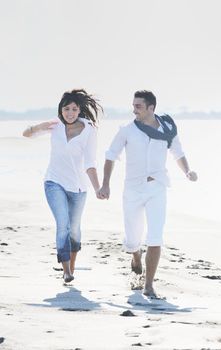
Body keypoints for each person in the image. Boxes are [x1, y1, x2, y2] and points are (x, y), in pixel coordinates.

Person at [98, 90, 197, 298]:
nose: (134, 110)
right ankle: (135, 256)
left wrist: (187, 171)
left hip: (157, 188)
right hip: (133, 190)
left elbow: (177, 152)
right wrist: (105, 184)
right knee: (133, 238)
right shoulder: (127, 130)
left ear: (151, 108)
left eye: (138, 106)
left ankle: (149, 285)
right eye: (133, 106)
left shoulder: (168, 129)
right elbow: (110, 155)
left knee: (155, 236)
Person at [22, 89, 104, 283]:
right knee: (63, 225)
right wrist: (39, 126)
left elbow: (90, 163)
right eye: (66, 109)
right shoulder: (55, 125)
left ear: (79, 110)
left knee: (74, 230)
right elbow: (26, 134)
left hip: (78, 188)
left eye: (74, 109)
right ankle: (66, 270)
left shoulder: (89, 129)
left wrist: (98, 188)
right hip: (54, 182)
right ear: (61, 110)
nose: (70, 113)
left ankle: (71, 266)